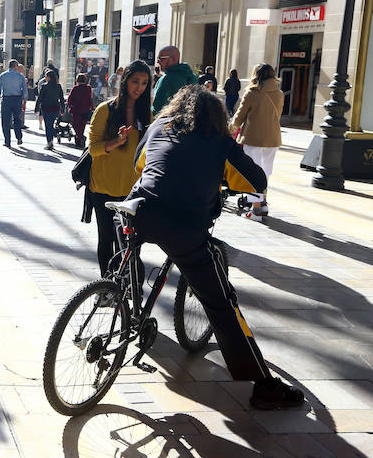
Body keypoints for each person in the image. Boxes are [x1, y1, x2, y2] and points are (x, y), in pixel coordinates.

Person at [129, 85, 304, 410]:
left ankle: (121, 300)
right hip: (184, 225)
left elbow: (140, 166)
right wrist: (217, 176)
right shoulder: (220, 140)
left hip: (139, 209)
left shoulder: (157, 127)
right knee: (223, 304)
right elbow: (256, 181)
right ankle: (263, 386)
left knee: (126, 252)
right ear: (217, 115)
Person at [88, 60, 152, 276]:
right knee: (106, 238)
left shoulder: (146, 113)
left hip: (132, 190)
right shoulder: (105, 110)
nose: (139, 88)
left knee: (129, 243)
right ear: (125, 81)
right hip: (104, 186)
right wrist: (115, 142)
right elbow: (93, 149)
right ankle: (107, 285)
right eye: (135, 81)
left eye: (144, 83)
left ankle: (125, 286)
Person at [230, 64, 284, 221]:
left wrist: (229, 129)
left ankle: (256, 210)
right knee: (266, 171)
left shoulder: (252, 92)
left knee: (252, 172)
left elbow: (238, 117)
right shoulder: (279, 94)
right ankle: (263, 202)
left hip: (253, 138)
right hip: (273, 138)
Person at [152, 45, 198, 115]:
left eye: (161, 58)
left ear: (173, 59)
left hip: (167, 122)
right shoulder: (193, 77)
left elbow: (157, 107)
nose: (158, 62)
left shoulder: (166, 79)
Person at [0, 59, 27, 147]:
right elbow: (25, 90)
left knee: (6, 121)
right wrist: (24, 102)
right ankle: (19, 137)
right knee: (17, 119)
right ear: (15, 66)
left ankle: (7, 141)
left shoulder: (3, 75)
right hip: (17, 100)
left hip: (6, 100)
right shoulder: (20, 76)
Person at [34, 69, 64, 150]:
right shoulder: (58, 86)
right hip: (55, 108)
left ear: (49, 77)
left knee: (48, 125)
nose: (45, 78)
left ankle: (49, 142)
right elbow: (61, 98)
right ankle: (53, 136)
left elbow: (40, 98)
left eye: (46, 76)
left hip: (46, 108)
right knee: (51, 124)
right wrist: (63, 110)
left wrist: (36, 108)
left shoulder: (44, 86)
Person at [66, 73, 94, 147]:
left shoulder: (75, 88)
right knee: (82, 126)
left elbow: (70, 98)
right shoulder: (88, 88)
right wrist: (92, 107)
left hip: (76, 110)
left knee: (75, 124)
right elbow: (89, 98)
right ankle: (79, 140)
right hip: (85, 109)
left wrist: (69, 105)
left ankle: (80, 138)